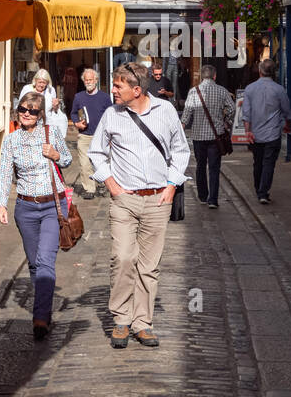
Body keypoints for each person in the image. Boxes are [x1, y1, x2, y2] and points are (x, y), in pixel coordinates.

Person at [89, 61, 189, 348]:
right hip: (125, 200)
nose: (113, 90)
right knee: (122, 258)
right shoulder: (112, 115)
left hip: (158, 200)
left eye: (118, 86)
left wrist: (171, 186)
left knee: (149, 265)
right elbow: (97, 153)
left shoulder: (165, 111)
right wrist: (112, 186)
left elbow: (181, 150)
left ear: (136, 89)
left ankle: (142, 322)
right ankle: (121, 319)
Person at [0, 89, 72, 341]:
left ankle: (40, 317)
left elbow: (68, 160)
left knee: (46, 260)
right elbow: (5, 172)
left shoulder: (52, 134)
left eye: (32, 111)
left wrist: (56, 155)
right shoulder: (11, 140)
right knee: (34, 263)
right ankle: (44, 307)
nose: (26, 114)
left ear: (40, 115)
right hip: (26, 208)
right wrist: (1, 204)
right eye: (23, 110)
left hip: (53, 205)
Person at [181, 64, 235, 209]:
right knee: (214, 167)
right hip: (215, 135)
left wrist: (182, 126)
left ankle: (203, 195)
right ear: (214, 76)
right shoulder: (222, 91)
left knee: (200, 166)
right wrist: (226, 122)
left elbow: (187, 113)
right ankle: (213, 199)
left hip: (198, 136)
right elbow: (232, 108)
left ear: (202, 76)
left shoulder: (193, 91)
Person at [241, 59, 291, 204]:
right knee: (269, 163)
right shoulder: (279, 89)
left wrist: (247, 131)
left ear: (260, 70)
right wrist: (287, 124)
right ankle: (263, 193)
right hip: (273, 133)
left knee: (258, 162)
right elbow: (287, 111)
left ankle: (259, 189)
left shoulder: (250, 89)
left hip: (255, 133)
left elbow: (246, 112)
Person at [69, 67, 113, 199]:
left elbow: (110, 116)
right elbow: (73, 113)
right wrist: (76, 123)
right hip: (84, 135)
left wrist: (110, 135)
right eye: (86, 80)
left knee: (102, 163)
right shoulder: (78, 97)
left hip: (101, 137)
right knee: (84, 164)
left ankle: (103, 185)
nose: (88, 82)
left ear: (96, 80)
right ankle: (89, 188)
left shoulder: (105, 98)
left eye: (90, 79)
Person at [17, 70, 67, 138]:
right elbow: (20, 107)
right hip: (28, 124)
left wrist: (56, 106)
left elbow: (54, 110)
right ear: (35, 80)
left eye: (44, 82)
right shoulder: (27, 89)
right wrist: (20, 122)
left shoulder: (51, 90)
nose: (41, 85)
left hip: (46, 125)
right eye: (40, 82)